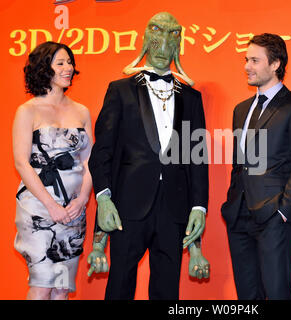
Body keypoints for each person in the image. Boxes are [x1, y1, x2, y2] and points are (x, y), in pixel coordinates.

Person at [87, 12, 210, 300]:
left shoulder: (191, 99)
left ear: (178, 44)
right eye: (158, 35)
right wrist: (103, 198)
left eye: (172, 36)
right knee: (119, 286)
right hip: (127, 208)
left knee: (167, 291)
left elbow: (196, 160)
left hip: (174, 209)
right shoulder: (120, 91)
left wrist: (199, 208)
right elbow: (102, 151)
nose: (164, 44)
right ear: (146, 40)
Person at [221, 33, 291, 300]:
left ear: (275, 64)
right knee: (247, 295)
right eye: (246, 59)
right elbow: (239, 162)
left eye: (254, 60)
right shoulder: (241, 109)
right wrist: (232, 201)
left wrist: (284, 210)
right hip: (238, 214)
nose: (247, 66)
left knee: (277, 293)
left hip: (274, 215)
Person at [13, 41, 93, 300]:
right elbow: (22, 163)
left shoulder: (81, 111)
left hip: (73, 210)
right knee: (43, 284)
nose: (68, 68)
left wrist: (81, 200)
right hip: (38, 208)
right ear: (43, 69)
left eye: (69, 62)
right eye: (60, 63)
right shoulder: (28, 111)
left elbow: (91, 161)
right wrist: (51, 205)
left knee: (61, 287)